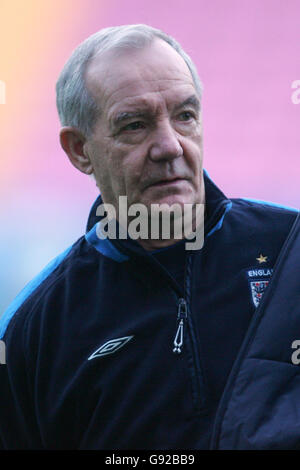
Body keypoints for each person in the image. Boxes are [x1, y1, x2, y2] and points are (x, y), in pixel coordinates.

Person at [0, 24, 299, 450]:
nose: (170, 146)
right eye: (136, 125)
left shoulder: (291, 251)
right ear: (79, 150)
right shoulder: (35, 327)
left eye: (185, 116)